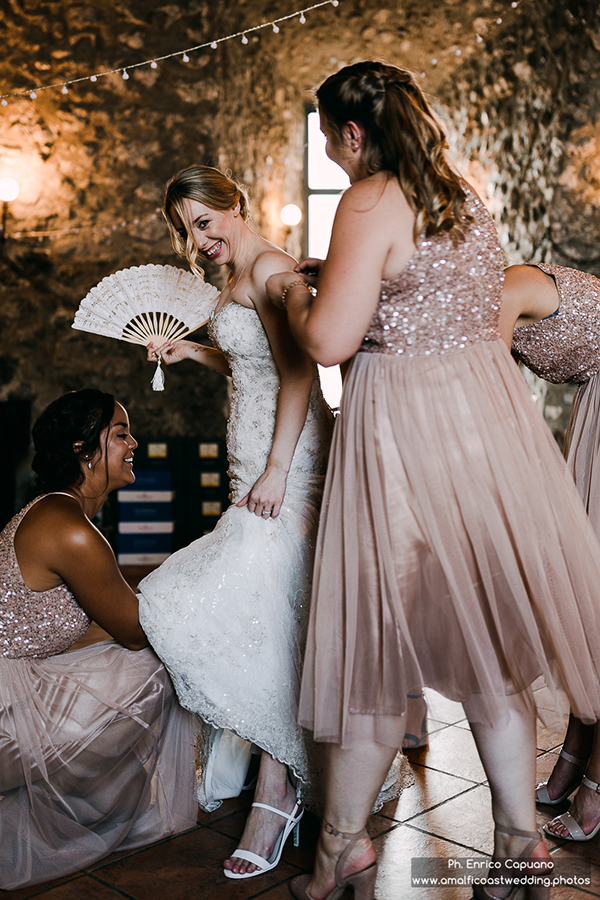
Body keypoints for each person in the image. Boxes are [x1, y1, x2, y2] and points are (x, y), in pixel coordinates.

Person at [266, 61, 600, 900]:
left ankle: (341, 848)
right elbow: (438, 306)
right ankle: (520, 849)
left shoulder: (369, 197)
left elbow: (332, 342)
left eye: (330, 140)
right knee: (492, 650)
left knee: (376, 644)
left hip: (402, 441)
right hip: (482, 434)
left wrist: (286, 295)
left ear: (352, 132)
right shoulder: (462, 195)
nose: (334, 157)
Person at [137, 165, 375, 881]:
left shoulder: (273, 269)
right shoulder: (232, 276)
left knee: (248, 603)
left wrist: (277, 469)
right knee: (275, 606)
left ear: (232, 206)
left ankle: (279, 788)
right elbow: (254, 368)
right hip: (255, 462)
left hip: (289, 460)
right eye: (186, 230)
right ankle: (279, 772)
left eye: (204, 222)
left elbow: (301, 372)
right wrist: (195, 351)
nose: (198, 239)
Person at [0, 389, 197, 891]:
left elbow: (85, 624)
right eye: (120, 433)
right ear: (83, 450)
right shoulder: (71, 530)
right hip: (5, 705)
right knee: (153, 666)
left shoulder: (52, 510)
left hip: (19, 676)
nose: (134, 442)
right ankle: (70, 807)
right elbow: (132, 631)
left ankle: (66, 798)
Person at [500, 262, 600, 842]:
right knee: (588, 605)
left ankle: (595, 785)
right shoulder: (482, 299)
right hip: (594, 410)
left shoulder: (508, 286)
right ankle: (577, 751)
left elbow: (494, 392)